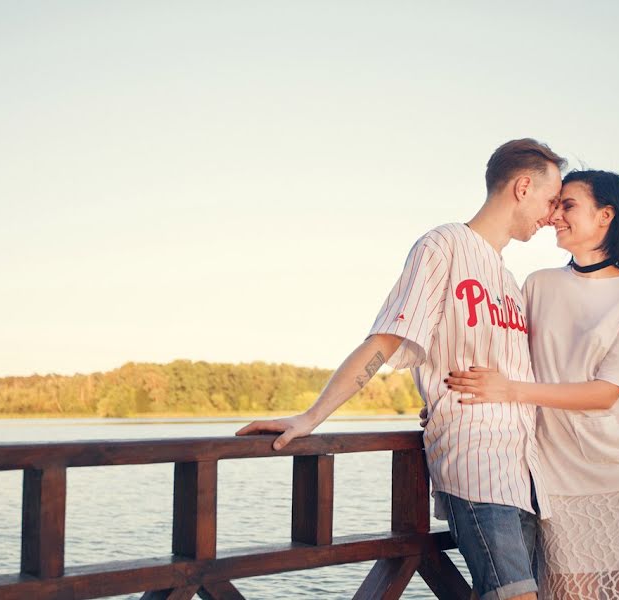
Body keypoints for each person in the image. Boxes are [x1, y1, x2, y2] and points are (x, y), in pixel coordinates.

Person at [237, 138, 565, 600]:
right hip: (477, 462)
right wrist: (312, 416)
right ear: (523, 186)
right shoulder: (443, 245)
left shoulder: (509, 281)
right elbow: (387, 339)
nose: (552, 214)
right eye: (551, 200)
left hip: (526, 472)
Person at [445, 169, 619, 599]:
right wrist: (452, 402)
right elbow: (501, 356)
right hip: (556, 484)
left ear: (606, 215)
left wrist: (510, 390)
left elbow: (605, 394)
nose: (554, 215)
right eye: (555, 204)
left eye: (567, 205)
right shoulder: (538, 284)